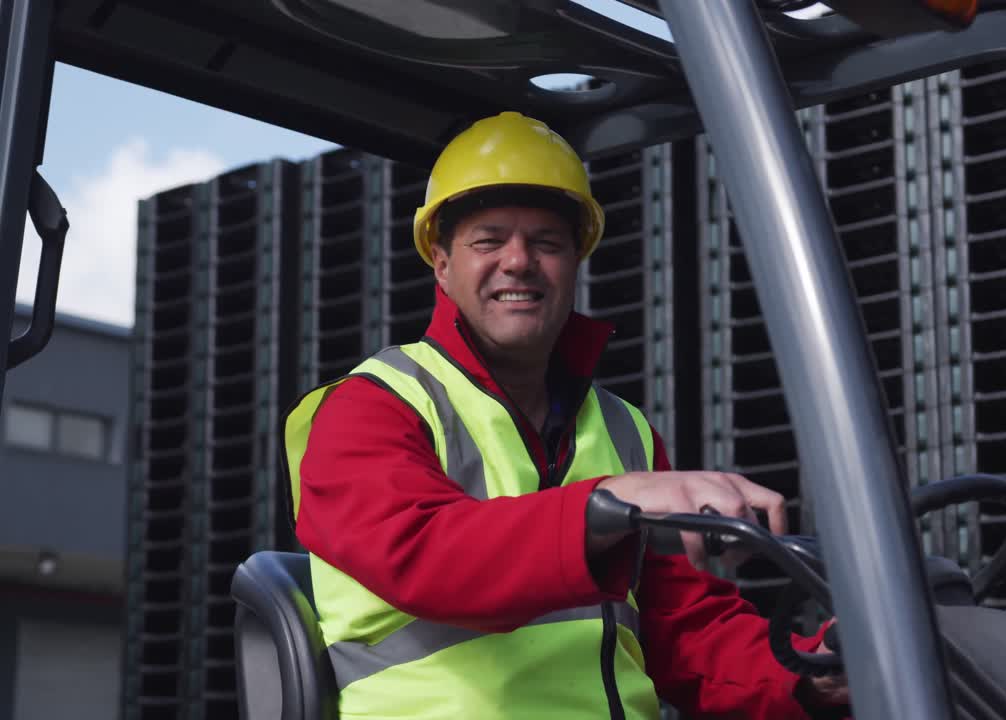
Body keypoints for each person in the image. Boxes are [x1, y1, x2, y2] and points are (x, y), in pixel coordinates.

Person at [282, 111, 850, 719]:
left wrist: (808, 672)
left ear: (576, 261)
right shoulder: (370, 407)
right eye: (488, 240)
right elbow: (425, 557)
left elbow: (684, 626)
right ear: (441, 263)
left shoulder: (626, 433)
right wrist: (609, 502)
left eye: (547, 242)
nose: (519, 261)